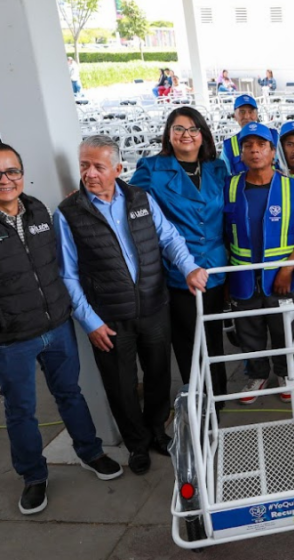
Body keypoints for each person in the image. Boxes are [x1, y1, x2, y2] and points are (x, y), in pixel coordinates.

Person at [55, 135, 208, 476]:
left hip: (154, 307)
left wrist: (189, 267)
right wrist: (90, 322)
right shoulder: (68, 214)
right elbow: (67, 275)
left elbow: (169, 238)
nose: (90, 174)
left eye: (98, 166)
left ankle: (156, 432)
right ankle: (136, 445)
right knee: (122, 388)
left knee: (157, 376)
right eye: (84, 166)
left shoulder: (141, 199)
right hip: (109, 319)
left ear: (118, 169)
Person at [0, 142, 123, 515]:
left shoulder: (38, 209)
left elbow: (60, 259)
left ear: (22, 173)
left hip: (56, 325)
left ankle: (90, 451)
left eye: (12, 171)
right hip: (12, 339)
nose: (6, 181)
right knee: (21, 410)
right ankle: (34, 477)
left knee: (70, 392)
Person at [129, 107, 230, 405]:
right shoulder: (151, 168)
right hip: (177, 268)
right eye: (178, 129)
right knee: (187, 339)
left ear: (203, 135)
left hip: (214, 266)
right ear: (169, 135)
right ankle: (197, 397)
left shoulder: (217, 168)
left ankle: (218, 398)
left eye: (193, 129)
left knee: (213, 336)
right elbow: (125, 201)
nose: (186, 135)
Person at [223, 123, 294, 405]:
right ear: (240, 152)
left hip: (282, 278)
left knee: (284, 328)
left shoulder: (292, 188)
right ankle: (256, 373)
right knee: (248, 329)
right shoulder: (229, 187)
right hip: (242, 277)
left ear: (272, 151)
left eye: (261, 146)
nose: (254, 151)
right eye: (248, 146)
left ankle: (287, 372)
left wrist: (288, 269)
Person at [219, 94, 279, 175]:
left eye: (251, 112)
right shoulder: (228, 146)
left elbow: (287, 169)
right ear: (234, 116)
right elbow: (222, 178)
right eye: (242, 112)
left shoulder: (275, 137)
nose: (247, 116)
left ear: (257, 115)